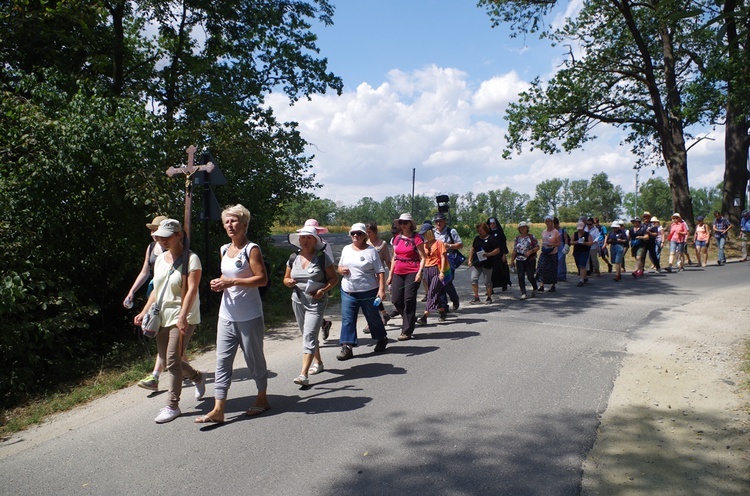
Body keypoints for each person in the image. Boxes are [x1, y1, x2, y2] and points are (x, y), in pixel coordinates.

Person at [196, 205, 270, 423]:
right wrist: (219, 282)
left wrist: (232, 281)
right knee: (222, 361)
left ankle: (262, 397)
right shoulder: (223, 249)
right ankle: (218, 409)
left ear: (244, 224)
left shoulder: (252, 249)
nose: (230, 225)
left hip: (249, 315)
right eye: (226, 222)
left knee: (254, 360)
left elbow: (261, 279)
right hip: (226, 315)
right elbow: (227, 274)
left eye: (234, 221)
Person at [134, 219, 206, 423]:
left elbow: (192, 289)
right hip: (161, 317)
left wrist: (183, 316)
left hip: (184, 316)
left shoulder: (191, 259)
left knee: (173, 360)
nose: (162, 240)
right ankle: (197, 377)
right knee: (167, 360)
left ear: (179, 235)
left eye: (167, 237)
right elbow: (157, 290)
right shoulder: (160, 259)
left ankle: (172, 405)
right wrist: (144, 311)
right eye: (160, 237)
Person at [284, 226, 338, 387]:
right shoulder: (293, 257)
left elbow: (334, 279)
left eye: (309, 238)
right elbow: (285, 278)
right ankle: (319, 363)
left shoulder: (322, 258)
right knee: (308, 334)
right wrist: (289, 282)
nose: (305, 241)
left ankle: (303, 374)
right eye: (302, 238)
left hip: (316, 301)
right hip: (297, 299)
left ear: (315, 240)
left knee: (308, 335)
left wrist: (323, 290)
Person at [125, 215, 168, 392]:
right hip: (154, 292)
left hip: (166, 292)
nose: (153, 233)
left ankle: (155, 376)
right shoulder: (151, 248)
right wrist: (132, 292)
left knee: (163, 333)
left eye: (156, 229)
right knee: (165, 336)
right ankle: (190, 372)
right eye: (152, 230)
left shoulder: (171, 248)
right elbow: (145, 272)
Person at [336, 223, 389, 360]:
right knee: (347, 318)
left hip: (368, 291)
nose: (355, 236)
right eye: (353, 233)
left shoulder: (371, 251)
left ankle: (381, 338)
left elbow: (380, 271)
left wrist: (381, 290)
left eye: (359, 233)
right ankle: (347, 347)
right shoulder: (346, 249)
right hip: (348, 290)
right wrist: (341, 270)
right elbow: (340, 266)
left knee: (373, 317)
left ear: (365, 235)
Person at [387, 213, 426, 341]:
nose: (402, 225)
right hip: (398, 271)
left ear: (410, 224)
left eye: (405, 222)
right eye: (400, 223)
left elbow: (423, 257)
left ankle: (406, 330)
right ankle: (409, 319)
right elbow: (394, 257)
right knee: (396, 300)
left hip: (413, 271)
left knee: (408, 299)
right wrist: (390, 274)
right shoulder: (397, 239)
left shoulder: (417, 238)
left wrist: (420, 272)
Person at [303, 219, 335, 340]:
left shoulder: (325, 245)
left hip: (320, 279)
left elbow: (330, 261)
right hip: (305, 279)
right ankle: (322, 324)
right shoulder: (302, 245)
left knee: (315, 306)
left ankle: (312, 336)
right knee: (307, 306)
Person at [416, 222, 449, 325]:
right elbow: (422, 258)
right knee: (435, 293)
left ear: (430, 232)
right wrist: (420, 271)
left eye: (425, 233)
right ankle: (442, 312)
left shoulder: (439, 243)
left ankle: (425, 316)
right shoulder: (424, 245)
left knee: (431, 292)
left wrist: (442, 271)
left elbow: (443, 257)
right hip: (427, 270)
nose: (423, 235)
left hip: (436, 269)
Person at [363, 221, 392, 332]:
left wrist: (392, 275)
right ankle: (383, 314)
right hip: (368, 276)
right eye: (366, 232)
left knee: (375, 298)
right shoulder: (365, 243)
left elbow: (388, 260)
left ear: (375, 232)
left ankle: (372, 322)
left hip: (378, 275)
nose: (367, 234)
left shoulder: (382, 244)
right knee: (371, 299)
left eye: (369, 232)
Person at [433, 213, 463, 311]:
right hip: (437, 259)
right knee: (439, 282)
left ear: (444, 221)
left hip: (448, 258)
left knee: (447, 282)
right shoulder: (432, 233)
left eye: (440, 221)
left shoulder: (451, 231)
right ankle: (444, 306)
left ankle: (455, 299)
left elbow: (460, 244)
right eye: (436, 221)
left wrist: (449, 246)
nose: (438, 223)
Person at [468, 222, 502, 304]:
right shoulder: (476, 239)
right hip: (477, 263)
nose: (479, 232)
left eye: (481, 230)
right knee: (473, 279)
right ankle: (476, 297)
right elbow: (473, 249)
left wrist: (489, 254)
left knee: (487, 282)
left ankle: (489, 297)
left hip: (487, 263)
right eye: (478, 231)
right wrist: (470, 260)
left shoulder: (492, 239)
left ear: (485, 230)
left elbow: (497, 250)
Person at [510, 221, 539, 299]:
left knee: (530, 276)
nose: (522, 229)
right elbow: (515, 250)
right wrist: (512, 260)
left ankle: (535, 287)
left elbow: (537, 247)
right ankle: (523, 293)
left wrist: (531, 251)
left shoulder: (531, 237)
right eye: (521, 228)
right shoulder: (517, 238)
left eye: (524, 227)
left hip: (530, 259)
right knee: (520, 276)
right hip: (519, 259)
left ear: (527, 228)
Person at [487, 217, 512, 292]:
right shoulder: (487, 233)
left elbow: (503, 244)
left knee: (502, 270)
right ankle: (491, 288)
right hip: (490, 255)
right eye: (490, 224)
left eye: (493, 223)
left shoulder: (500, 233)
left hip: (500, 255)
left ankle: (504, 284)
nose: (492, 225)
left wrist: (504, 254)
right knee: (491, 272)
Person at [536, 216, 560, 293]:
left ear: (552, 222)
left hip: (553, 252)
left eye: (549, 221)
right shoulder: (544, 232)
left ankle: (553, 285)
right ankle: (541, 285)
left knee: (552, 269)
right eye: (546, 221)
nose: (547, 223)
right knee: (541, 267)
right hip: (545, 252)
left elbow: (558, 243)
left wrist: (551, 244)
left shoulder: (556, 232)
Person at [572, 221, 594, 286]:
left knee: (582, 265)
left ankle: (581, 280)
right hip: (577, 251)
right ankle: (585, 277)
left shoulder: (587, 234)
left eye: (581, 228)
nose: (579, 230)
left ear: (584, 227)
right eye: (578, 229)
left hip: (585, 251)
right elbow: (570, 242)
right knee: (578, 264)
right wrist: (577, 242)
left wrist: (584, 243)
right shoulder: (575, 234)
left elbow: (591, 243)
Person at [553, 217, 570, 281]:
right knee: (555, 260)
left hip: (561, 246)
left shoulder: (562, 230)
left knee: (561, 260)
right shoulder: (552, 231)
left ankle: (562, 275)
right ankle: (556, 274)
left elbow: (566, 238)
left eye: (555, 224)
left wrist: (566, 245)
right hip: (554, 246)